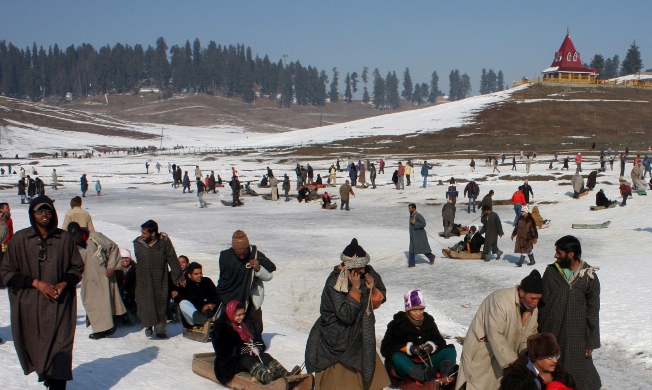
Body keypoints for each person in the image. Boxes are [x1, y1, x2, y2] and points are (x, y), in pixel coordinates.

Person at [0, 195, 85, 390]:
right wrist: (36, 283)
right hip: (29, 307)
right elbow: (6, 272)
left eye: (47, 210)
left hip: (59, 307)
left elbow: (77, 267)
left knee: (61, 351)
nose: (44, 214)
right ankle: (47, 374)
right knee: (37, 350)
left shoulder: (64, 239)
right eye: (39, 210)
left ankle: (56, 381)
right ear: (32, 214)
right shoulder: (20, 239)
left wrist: (64, 283)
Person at [305, 238, 390, 390]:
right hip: (338, 338)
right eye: (359, 268)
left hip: (361, 335)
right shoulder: (334, 282)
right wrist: (356, 290)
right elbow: (345, 314)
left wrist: (372, 289)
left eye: (364, 267)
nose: (363, 271)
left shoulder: (368, 273)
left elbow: (380, 298)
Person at [456, 270, 543, 390]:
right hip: (484, 353)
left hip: (507, 358)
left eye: (538, 299)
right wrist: (513, 364)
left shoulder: (533, 309)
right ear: (522, 293)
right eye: (533, 298)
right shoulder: (500, 300)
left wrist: (525, 362)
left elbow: (528, 338)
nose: (536, 303)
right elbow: (495, 333)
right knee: (479, 385)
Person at [538, 236, 601, 390]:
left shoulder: (588, 277)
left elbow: (593, 310)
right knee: (550, 370)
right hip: (552, 330)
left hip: (577, 334)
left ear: (571, 254)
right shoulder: (551, 272)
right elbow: (540, 302)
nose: (555, 256)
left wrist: (591, 340)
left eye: (559, 253)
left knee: (578, 373)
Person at [380, 290, 457, 386]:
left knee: (449, 350)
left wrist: (431, 346)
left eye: (421, 309)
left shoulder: (428, 322)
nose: (418, 313)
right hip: (408, 364)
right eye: (414, 310)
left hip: (428, 362)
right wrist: (409, 349)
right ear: (408, 311)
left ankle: (448, 376)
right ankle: (424, 377)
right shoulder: (396, 324)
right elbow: (385, 348)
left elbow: (440, 341)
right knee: (396, 356)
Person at [212, 300, 294, 385]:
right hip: (228, 362)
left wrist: (257, 347)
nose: (242, 317)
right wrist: (245, 350)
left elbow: (253, 340)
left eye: (243, 314)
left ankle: (286, 374)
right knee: (247, 359)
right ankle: (267, 378)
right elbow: (222, 352)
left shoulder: (241, 325)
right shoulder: (221, 328)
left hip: (242, 356)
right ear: (231, 314)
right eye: (238, 315)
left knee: (264, 356)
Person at [67, 222, 125, 339]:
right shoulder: (72, 245)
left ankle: (106, 328)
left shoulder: (94, 237)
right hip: (88, 277)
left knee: (106, 301)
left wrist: (111, 266)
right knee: (90, 302)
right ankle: (100, 327)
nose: (77, 239)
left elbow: (113, 247)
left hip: (104, 275)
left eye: (78, 236)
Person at [216, 230, 276, 342]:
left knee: (254, 319)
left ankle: (255, 342)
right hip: (230, 294)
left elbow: (270, 272)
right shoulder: (226, 256)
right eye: (239, 254)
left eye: (244, 252)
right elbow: (224, 278)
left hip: (250, 295)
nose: (242, 256)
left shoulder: (255, 254)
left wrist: (258, 268)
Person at [133, 220, 185, 339]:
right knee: (146, 303)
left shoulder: (164, 243)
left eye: (144, 233)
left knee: (161, 303)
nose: (142, 235)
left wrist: (178, 277)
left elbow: (172, 259)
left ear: (153, 233)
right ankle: (148, 325)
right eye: (141, 232)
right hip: (144, 279)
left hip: (160, 278)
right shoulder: (138, 243)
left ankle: (161, 330)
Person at [501, 333, 576, 390]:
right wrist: (539, 381)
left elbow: (572, 385)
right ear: (536, 357)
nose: (555, 360)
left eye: (556, 356)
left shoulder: (558, 370)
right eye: (550, 357)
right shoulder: (517, 370)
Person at [173, 262, 219, 327]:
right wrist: (202, 308)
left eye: (200, 273)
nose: (199, 276)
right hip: (194, 317)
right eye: (196, 274)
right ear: (189, 275)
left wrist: (213, 305)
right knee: (183, 303)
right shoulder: (184, 284)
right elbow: (189, 299)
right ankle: (204, 321)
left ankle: (211, 322)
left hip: (210, 313)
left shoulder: (207, 281)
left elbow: (216, 296)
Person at [407, 204, 436, 268]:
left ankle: (431, 257)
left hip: (420, 236)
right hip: (413, 236)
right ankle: (411, 263)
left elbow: (423, 223)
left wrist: (415, 223)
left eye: (410, 208)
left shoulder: (418, 216)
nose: (409, 209)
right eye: (409, 208)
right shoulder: (411, 216)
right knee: (411, 249)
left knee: (423, 248)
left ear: (414, 209)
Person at [114, 248, 138, 325]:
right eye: (122, 258)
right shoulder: (115, 270)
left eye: (127, 258)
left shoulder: (136, 269)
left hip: (133, 296)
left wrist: (132, 294)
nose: (125, 260)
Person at [0, 203, 13, 289]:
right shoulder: (3, 220)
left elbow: (10, 232)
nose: (9, 210)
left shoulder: (8, 220)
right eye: (6, 208)